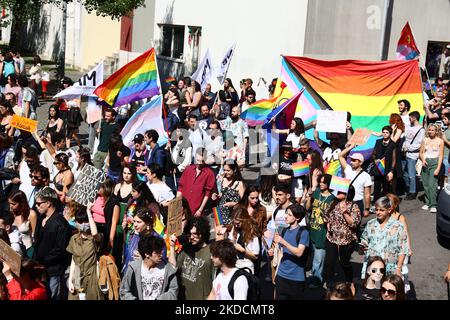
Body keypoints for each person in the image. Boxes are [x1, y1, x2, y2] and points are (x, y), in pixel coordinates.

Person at [32, 187, 71, 300]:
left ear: (48, 203)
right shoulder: (42, 219)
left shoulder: (60, 224)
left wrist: (43, 261)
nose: (36, 206)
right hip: (42, 269)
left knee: (53, 296)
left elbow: (60, 250)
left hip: (54, 271)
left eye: (39, 203)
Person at [360, 197, 409, 278]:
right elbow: (364, 240)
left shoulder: (398, 226)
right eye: (376, 210)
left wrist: (398, 269)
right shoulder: (370, 224)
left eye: (381, 210)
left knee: (388, 289)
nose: (378, 212)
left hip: (390, 269)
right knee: (375, 289)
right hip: (373, 268)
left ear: (389, 210)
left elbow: (403, 249)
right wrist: (362, 247)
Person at [268, 204, 309, 300]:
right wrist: (272, 251)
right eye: (286, 213)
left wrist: (284, 242)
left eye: (289, 215)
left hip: (296, 278)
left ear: (297, 218)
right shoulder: (283, 230)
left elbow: (299, 252)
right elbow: (279, 249)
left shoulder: (303, 233)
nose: (286, 216)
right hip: (281, 275)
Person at [323, 186, 361, 288]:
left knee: (344, 262)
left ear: (348, 194)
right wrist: (327, 222)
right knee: (329, 261)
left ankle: (349, 280)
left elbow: (354, 223)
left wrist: (344, 212)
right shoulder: (334, 202)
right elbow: (326, 215)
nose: (338, 192)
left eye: (341, 191)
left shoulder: (354, 206)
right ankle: (330, 282)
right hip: (332, 238)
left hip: (346, 240)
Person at [168, 216, 214, 300]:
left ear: (203, 233)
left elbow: (216, 281)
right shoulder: (186, 248)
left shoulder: (211, 252)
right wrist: (172, 247)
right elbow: (172, 267)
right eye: (190, 234)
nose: (192, 237)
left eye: (195, 234)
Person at [120, 234, 178, 300]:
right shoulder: (133, 268)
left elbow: (174, 290)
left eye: (161, 250)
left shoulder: (168, 269)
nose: (161, 254)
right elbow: (124, 291)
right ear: (147, 254)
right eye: (157, 252)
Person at [67, 204, 104, 300]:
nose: (83, 224)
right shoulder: (73, 238)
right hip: (77, 275)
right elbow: (73, 260)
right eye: (80, 221)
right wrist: (70, 279)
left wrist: (89, 213)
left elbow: (95, 233)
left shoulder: (94, 239)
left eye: (85, 221)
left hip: (92, 277)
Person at [305, 172, 335, 288]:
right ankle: (315, 276)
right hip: (312, 230)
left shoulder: (332, 198)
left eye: (324, 182)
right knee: (314, 257)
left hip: (322, 232)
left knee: (318, 259)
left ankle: (316, 280)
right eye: (320, 181)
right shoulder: (316, 193)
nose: (321, 184)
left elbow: (332, 217)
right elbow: (307, 208)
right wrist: (309, 197)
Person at [217, 207, 260, 274]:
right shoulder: (235, 228)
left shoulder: (253, 233)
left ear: (245, 220)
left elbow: (255, 256)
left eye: (238, 223)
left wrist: (243, 251)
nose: (236, 226)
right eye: (234, 223)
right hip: (235, 263)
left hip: (246, 266)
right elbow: (231, 240)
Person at [122, 207, 162, 275]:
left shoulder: (155, 239)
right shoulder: (132, 234)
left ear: (148, 223)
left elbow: (160, 261)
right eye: (134, 221)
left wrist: (144, 260)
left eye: (139, 222)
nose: (135, 225)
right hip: (129, 274)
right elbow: (126, 255)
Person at [177, 148, 215, 216]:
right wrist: (176, 203)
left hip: (195, 208)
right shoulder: (188, 169)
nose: (199, 163)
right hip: (182, 206)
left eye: (202, 161)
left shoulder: (209, 173)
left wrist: (200, 210)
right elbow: (180, 187)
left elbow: (207, 194)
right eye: (197, 160)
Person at [339, 144, 373, 217]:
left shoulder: (366, 176)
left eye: (354, 160)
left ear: (360, 162)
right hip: (346, 202)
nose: (351, 162)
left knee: (356, 225)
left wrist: (367, 209)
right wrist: (350, 147)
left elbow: (367, 194)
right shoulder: (348, 169)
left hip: (357, 203)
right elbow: (340, 156)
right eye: (351, 160)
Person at [419, 124, 444, 213]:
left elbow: (441, 156)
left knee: (432, 185)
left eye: (432, 130)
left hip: (435, 163)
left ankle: (434, 204)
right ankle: (427, 202)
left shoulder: (440, 141)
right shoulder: (425, 140)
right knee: (425, 185)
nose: (430, 131)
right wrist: (423, 160)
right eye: (429, 130)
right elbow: (421, 152)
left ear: (436, 131)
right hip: (425, 163)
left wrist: (438, 168)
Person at [90, 179, 120, 253]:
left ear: (106, 188)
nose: (96, 188)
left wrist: (111, 240)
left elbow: (113, 223)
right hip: (93, 227)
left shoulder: (113, 202)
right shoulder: (96, 197)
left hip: (103, 231)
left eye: (99, 186)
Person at [214, 159, 246, 225]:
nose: (225, 172)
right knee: (219, 234)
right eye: (224, 170)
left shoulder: (239, 183)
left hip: (232, 214)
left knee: (231, 234)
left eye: (228, 170)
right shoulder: (222, 179)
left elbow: (244, 202)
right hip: (218, 211)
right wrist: (216, 195)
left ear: (234, 170)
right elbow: (221, 194)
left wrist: (233, 204)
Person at [402, 111, 425, 200]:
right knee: (405, 173)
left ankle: (412, 192)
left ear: (414, 118)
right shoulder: (408, 127)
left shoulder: (421, 129)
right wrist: (404, 148)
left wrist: (409, 148)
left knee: (411, 174)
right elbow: (405, 139)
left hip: (412, 155)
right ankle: (409, 188)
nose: (409, 119)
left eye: (410, 118)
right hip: (405, 153)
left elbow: (419, 144)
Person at [8, 190, 38, 257]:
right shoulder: (10, 214)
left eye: (13, 204)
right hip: (13, 249)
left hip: (28, 250)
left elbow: (35, 235)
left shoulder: (31, 214)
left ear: (21, 203)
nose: (10, 206)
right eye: (9, 203)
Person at [371, 126, 396, 201]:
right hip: (378, 167)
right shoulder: (378, 142)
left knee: (386, 187)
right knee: (376, 187)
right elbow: (374, 153)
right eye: (383, 132)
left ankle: (386, 204)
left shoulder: (393, 144)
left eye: (387, 133)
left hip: (387, 168)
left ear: (390, 134)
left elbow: (394, 159)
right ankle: (375, 204)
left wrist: (391, 171)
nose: (385, 134)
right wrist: (375, 159)